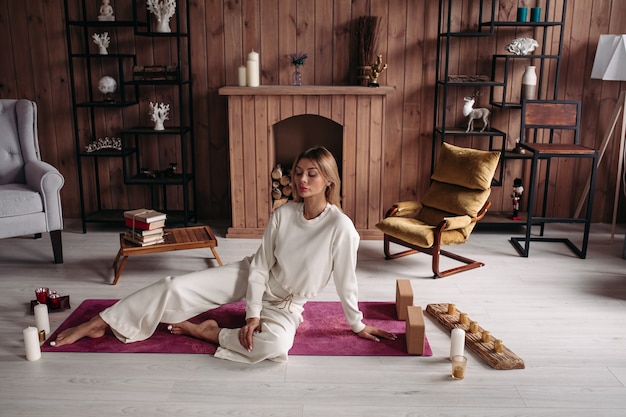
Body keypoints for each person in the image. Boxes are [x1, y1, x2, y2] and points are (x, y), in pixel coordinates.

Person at [52, 146, 396, 363]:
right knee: (174, 286)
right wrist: (251, 315)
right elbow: (260, 267)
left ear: (328, 181)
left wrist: (357, 324)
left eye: (312, 173)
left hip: (288, 302)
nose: (302, 179)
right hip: (252, 278)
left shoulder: (341, 228)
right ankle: (102, 321)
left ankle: (205, 331)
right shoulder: (284, 214)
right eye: (297, 172)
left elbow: (346, 283)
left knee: (275, 347)